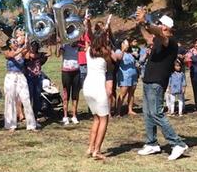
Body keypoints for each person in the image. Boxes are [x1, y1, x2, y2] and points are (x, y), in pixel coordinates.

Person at [135, 8, 188, 160]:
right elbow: (148, 38)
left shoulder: (170, 41)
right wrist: (140, 24)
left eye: (160, 24)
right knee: (148, 114)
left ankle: (178, 143)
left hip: (157, 83)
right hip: (148, 81)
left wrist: (146, 21)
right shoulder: (158, 39)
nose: (158, 25)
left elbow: (155, 31)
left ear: (165, 27)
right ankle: (151, 143)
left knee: (156, 113)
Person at [83, 29, 113, 161]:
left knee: (96, 118)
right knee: (104, 119)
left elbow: (88, 36)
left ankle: (90, 148)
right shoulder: (106, 54)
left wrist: (87, 25)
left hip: (87, 87)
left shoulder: (88, 51)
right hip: (98, 89)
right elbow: (113, 63)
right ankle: (97, 150)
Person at [3, 36, 37, 131]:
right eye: (14, 42)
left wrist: (27, 42)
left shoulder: (21, 52)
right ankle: (11, 124)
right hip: (11, 77)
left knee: (25, 98)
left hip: (21, 76)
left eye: (16, 41)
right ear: (9, 45)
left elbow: (28, 53)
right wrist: (22, 48)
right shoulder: (7, 52)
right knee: (10, 99)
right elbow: (12, 55)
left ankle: (31, 124)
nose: (16, 43)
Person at [57, 38, 82, 125]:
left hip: (76, 71)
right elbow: (58, 55)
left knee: (75, 94)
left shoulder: (78, 46)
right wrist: (59, 44)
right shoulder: (65, 45)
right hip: (66, 72)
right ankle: (65, 116)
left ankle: (74, 116)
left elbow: (86, 49)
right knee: (66, 94)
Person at [25, 40, 50, 119]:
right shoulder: (27, 55)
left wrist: (48, 44)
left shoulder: (40, 55)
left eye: (35, 46)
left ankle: (35, 116)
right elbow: (28, 56)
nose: (33, 47)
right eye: (32, 46)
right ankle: (28, 116)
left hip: (38, 78)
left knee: (37, 97)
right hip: (29, 78)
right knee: (29, 97)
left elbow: (49, 54)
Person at [115, 39, 139, 116]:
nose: (127, 45)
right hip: (125, 76)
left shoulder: (130, 53)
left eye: (127, 43)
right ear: (122, 44)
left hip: (133, 75)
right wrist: (122, 50)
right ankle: (118, 111)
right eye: (125, 43)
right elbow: (118, 58)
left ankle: (130, 110)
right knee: (123, 93)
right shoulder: (118, 51)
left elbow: (135, 62)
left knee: (131, 93)